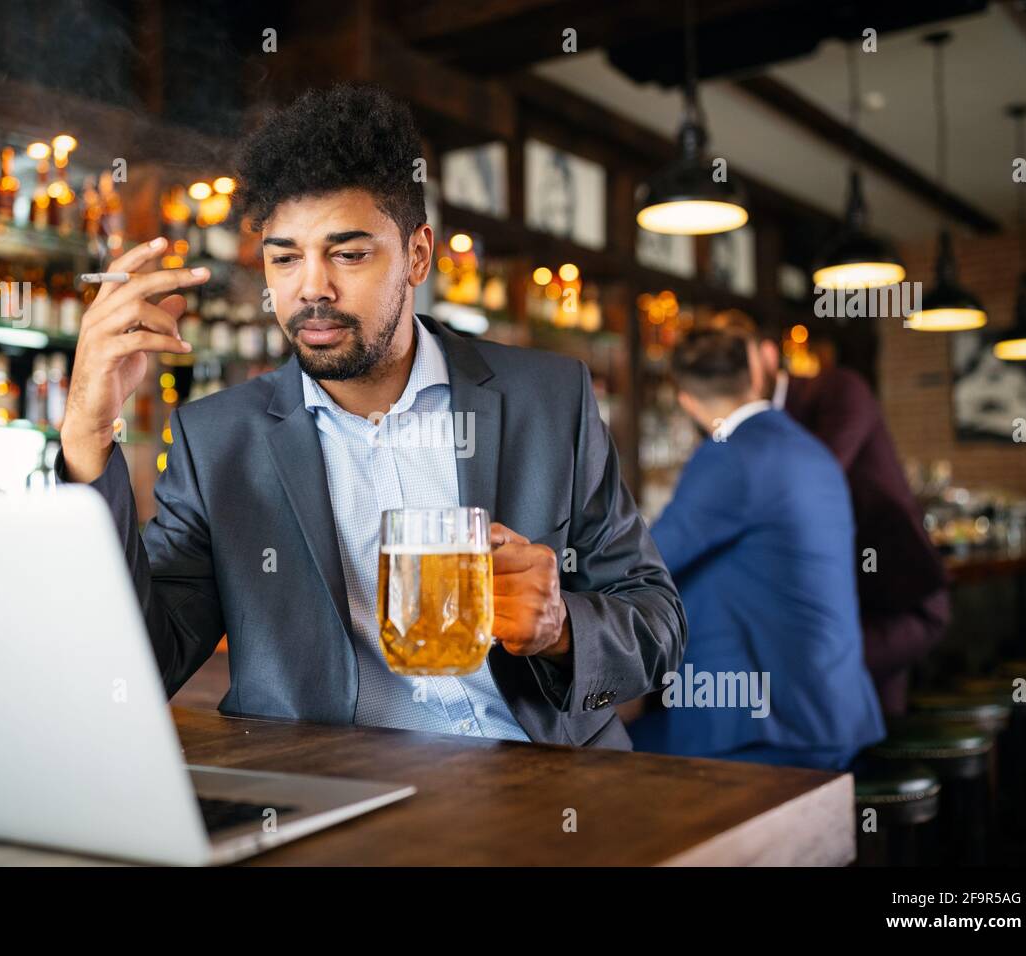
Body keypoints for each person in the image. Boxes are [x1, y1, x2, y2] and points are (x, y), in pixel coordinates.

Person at [56, 85, 686, 750]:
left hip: (543, 784)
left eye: (349, 253)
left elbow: (659, 625)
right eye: (285, 257)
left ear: (417, 254)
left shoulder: (548, 399)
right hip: (335, 793)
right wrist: (88, 437)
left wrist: (561, 630)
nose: (312, 287)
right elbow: (132, 666)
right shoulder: (218, 441)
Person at [628, 325, 884, 770]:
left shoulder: (728, 454)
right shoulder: (809, 448)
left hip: (772, 727)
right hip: (832, 708)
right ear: (755, 374)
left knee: (606, 761)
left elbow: (644, 562)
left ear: (686, 400)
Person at [754, 324, 950, 717]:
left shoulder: (839, 389)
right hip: (848, 604)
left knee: (813, 690)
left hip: (902, 601)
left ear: (767, 355)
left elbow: (814, 487)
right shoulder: (752, 426)